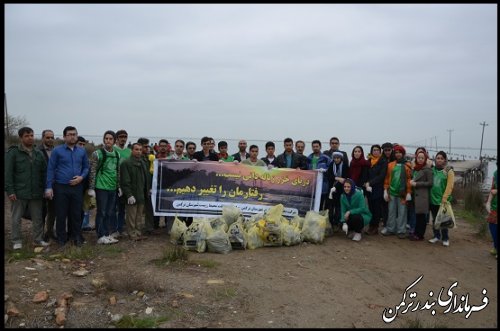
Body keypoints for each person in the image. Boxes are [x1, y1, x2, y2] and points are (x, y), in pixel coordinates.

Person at [45, 126, 89, 247]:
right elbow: (51, 169)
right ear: (64, 136)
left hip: (77, 187)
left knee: (75, 214)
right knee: (61, 214)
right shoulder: (57, 151)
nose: (72, 136)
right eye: (69, 134)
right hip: (61, 187)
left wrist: (81, 177)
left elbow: (86, 167)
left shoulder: (81, 151)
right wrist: (48, 187)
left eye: (74, 134)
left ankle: (75, 237)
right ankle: (61, 238)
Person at [5, 127, 48, 249]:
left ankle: (38, 239)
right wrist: (10, 190)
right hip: (19, 192)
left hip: (36, 192)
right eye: (27, 136)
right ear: (21, 138)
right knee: (16, 218)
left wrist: (45, 189)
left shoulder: (38, 153)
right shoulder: (13, 152)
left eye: (32, 135)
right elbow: (8, 173)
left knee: (38, 218)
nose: (30, 138)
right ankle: (16, 241)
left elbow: (44, 173)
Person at [88, 131, 121, 245]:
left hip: (112, 187)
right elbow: (92, 171)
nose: (108, 140)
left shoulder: (117, 154)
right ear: (103, 140)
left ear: (114, 140)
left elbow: (117, 171)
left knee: (110, 212)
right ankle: (100, 235)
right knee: (101, 211)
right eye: (106, 138)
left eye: (110, 139)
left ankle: (107, 234)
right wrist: (91, 188)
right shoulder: (97, 153)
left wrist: (119, 186)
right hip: (101, 186)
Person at [121, 143, 150, 241]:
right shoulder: (126, 163)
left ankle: (138, 232)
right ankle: (131, 234)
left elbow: (146, 178)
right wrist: (129, 195)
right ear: (132, 150)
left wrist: (147, 189)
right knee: (131, 216)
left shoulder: (142, 163)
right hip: (132, 194)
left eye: (140, 150)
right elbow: (125, 181)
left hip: (141, 194)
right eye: (136, 149)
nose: (139, 151)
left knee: (139, 216)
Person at [381, 145, 412, 239]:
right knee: (391, 211)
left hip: (402, 193)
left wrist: (409, 192)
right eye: (396, 152)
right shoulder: (390, 165)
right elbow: (386, 178)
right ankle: (390, 229)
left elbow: (409, 180)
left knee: (402, 212)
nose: (398, 154)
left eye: (400, 152)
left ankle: (401, 230)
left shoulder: (407, 166)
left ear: (403, 154)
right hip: (392, 192)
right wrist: (385, 190)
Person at [428, 151, 455, 247]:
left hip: (442, 201)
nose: (439, 160)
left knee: (443, 220)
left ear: (445, 160)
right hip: (432, 199)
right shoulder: (432, 170)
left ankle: (445, 238)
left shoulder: (448, 171)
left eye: (441, 158)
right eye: (437, 158)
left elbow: (450, 186)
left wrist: (445, 198)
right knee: (435, 219)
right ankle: (436, 235)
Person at [409, 149, 433, 241]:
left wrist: (417, 184)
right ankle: (415, 232)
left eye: (422, 158)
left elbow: (430, 183)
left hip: (422, 196)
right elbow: (412, 178)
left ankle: (420, 235)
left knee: (421, 217)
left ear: (425, 159)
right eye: (419, 157)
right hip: (414, 195)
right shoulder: (415, 168)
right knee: (416, 215)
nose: (420, 159)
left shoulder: (428, 169)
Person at [38, 129, 57, 242]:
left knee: (52, 211)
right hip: (41, 186)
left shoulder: (56, 151)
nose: (50, 139)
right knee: (41, 212)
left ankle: (49, 232)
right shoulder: (37, 151)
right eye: (48, 137)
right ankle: (39, 235)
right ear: (43, 138)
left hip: (54, 186)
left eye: (52, 137)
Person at [364, 144, 387, 235]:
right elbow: (366, 173)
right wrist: (366, 183)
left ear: (380, 152)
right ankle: (371, 225)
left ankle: (375, 227)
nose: (376, 151)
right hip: (369, 188)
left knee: (377, 208)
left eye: (377, 150)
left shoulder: (383, 161)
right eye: (374, 150)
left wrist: (370, 183)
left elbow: (381, 176)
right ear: (371, 151)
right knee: (371, 208)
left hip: (378, 188)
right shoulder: (369, 161)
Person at [137, 137, 156, 235]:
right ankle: (137, 229)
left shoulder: (150, 158)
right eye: (145, 147)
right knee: (139, 210)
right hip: (139, 187)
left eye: (148, 147)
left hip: (149, 187)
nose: (147, 149)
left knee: (149, 209)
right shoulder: (137, 158)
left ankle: (149, 228)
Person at [326, 151, 349, 230]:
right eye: (335, 158)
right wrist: (337, 178)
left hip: (341, 189)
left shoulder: (345, 166)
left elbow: (345, 179)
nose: (336, 159)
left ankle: (337, 223)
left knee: (339, 207)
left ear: (341, 158)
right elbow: (328, 176)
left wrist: (337, 185)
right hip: (331, 189)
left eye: (338, 158)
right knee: (331, 207)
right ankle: (330, 222)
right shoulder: (331, 165)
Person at [306, 140, 331, 210]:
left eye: (317, 146)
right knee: (312, 204)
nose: (315, 148)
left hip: (323, 185)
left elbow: (331, 170)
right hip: (312, 185)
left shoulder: (326, 158)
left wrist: (325, 171)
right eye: (313, 147)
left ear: (320, 147)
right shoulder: (309, 158)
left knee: (321, 204)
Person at [380, 142, 395, 227]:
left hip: (393, 185)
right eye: (385, 150)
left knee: (392, 207)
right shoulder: (381, 160)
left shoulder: (395, 160)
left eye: (389, 150)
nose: (387, 152)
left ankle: (392, 223)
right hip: (383, 185)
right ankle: (385, 223)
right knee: (384, 205)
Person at [485, 166, 497, 258]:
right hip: (494, 209)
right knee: (492, 227)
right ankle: (496, 246)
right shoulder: (496, 173)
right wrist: (488, 206)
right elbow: (492, 190)